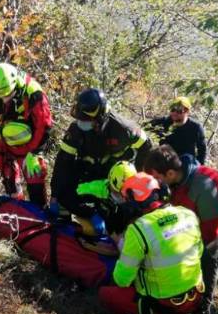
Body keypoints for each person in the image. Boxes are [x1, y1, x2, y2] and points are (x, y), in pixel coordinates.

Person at [142, 145, 218, 314]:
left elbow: (210, 232)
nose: (156, 182)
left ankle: (204, 304)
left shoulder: (203, 187)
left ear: (170, 174)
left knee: (208, 253)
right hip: (204, 210)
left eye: (157, 177)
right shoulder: (178, 176)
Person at [98, 172, 205, 314]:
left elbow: (122, 280)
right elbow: (198, 253)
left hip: (162, 305)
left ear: (132, 202)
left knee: (105, 294)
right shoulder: (188, 214)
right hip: (196, 297)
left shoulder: (138, 230)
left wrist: (119, 243)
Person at [49, 88, 153, 236]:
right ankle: (65, 229)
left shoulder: (123, 129)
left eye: (87, 121)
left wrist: (137, 176)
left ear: (101, 118)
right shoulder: (76, 130)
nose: (82, 124)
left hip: (115, 176)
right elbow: (63, 162)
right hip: (89, 171)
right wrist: (54, 195)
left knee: (123, 213)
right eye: (81, 119)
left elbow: (146, 147)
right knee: (65, 194)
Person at [0, 63, 53, 206]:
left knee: (34, 175)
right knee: (7, 174)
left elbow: (44, 126)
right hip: (2, 137)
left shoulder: (33, 93)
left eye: (8, 94)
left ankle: (39, 212)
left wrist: (35, 153)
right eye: (0, 95)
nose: (5, 98)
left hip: (28, 143)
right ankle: (16, 205)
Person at [75, 161, 148, 235]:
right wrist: (91, 213)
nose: (120, 195)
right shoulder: (94, 188)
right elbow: (73, 196)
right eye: (116, 191)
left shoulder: (136, 197)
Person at [148, 96, 207, 164]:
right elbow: (144, 127)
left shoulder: (196, 127)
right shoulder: (164, 122)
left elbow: (202, 150)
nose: (174, 113)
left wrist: (199, 167)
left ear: (187, 111)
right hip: (165, 162)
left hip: (185, 164)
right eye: (172, 110)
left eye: (179, 111)